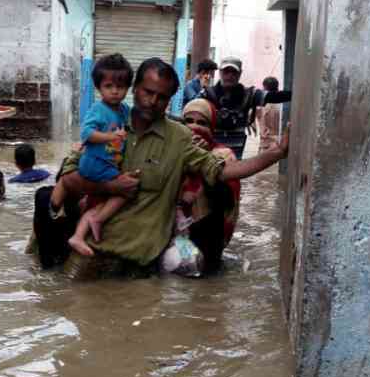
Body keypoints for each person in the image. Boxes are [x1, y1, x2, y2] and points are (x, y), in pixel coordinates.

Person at [37, 57, 289, 276]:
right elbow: (68, 176)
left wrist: (276, 153)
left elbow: (221, 170)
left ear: (169, 100)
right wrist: (109, 185)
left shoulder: (180, 138)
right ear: (134, 89)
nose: (152, 101)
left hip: (141, 267)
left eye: (162, 97)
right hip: (89, 256)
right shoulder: (108, 123)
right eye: (148, 92)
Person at [50, 53, 135, 257]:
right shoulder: (98, 109)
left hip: (107, 163)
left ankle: (84, 226)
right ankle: (88, 227)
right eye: (108, 86)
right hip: (95, 164)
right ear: (98, 88)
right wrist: (110, 137)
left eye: (121, 87)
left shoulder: (124, 110)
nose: (115, 91)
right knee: (126, 190)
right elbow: (86, 133)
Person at [162, 98, 240, 275]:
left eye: (202, 123)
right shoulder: (171, 150)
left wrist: (201, 160)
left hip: (208, 234)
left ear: (212, 128)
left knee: (197, 273)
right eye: (188, 121)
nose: (194, 127)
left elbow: (227, 200)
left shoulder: (223, 154)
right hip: (175, 233)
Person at [200, 57, 291, 160]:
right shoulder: (207, 94)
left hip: (235, 154)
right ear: (220, 72)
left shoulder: (248, 95)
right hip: (210, 153)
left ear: (239, 74)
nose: (230, 75)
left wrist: (298, 92)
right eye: (226, 71)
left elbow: (273, 97)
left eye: (234, 72)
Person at [257, 76, 282, 154]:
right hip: (279, 145)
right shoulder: (282, 105)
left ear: (264, 88)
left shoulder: (259, 106)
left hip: (265, 146)